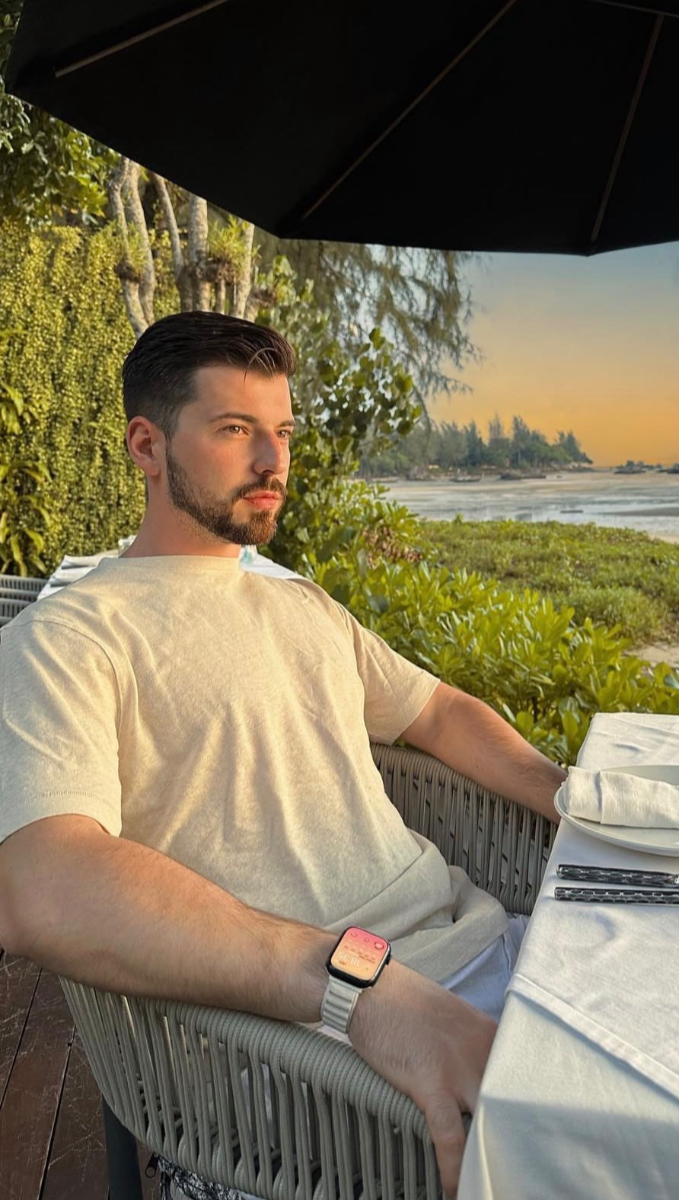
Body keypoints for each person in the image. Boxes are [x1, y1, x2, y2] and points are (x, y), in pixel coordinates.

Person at [0, 312, 565, 1196]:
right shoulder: (68, 639)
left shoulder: (300, 606)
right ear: (147, 446)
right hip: (307, 1053)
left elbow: (439, 712)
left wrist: (568, 797)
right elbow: (43, 884)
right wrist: (356, 984)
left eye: (284, 432)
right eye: (235, 430)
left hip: (492, 951)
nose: (273, 462)